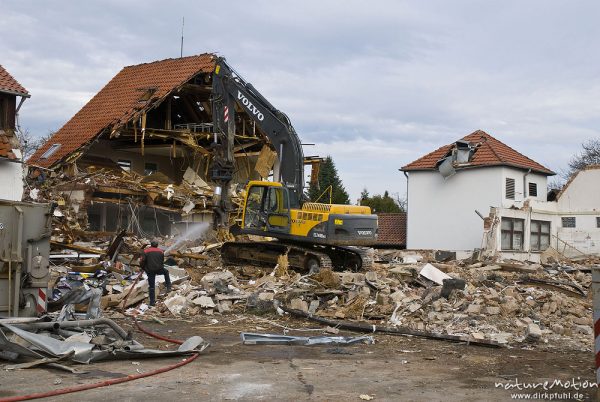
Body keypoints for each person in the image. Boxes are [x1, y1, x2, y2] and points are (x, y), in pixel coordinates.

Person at [140, 240, 171, 306]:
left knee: (152, 287)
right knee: (166, 272)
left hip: (150, 270)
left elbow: (142, 261)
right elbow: (162, 261)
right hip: (159, 269)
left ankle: (152, 302)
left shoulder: (146, 251)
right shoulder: (161, 251)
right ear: (157, 245)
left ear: (151, 245)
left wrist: (144, 268)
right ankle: (169, 287)